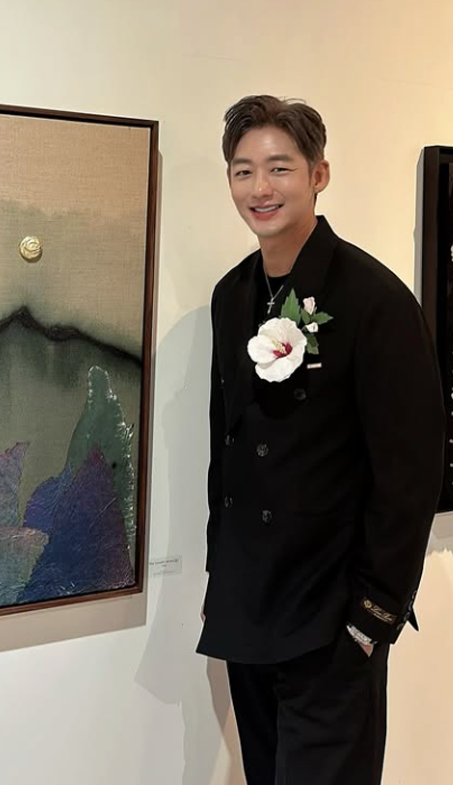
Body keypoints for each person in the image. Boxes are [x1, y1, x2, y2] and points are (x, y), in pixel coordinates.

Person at [197, 95, 445, 785]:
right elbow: (226, 453)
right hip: (249, 610)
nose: (260, 188)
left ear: (319, 174)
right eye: (243, 171)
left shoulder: (375, 300)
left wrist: (372, 618)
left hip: (332, 620)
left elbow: (410, 475)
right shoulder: (230, 295)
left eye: (280, 168)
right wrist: (221, 576)